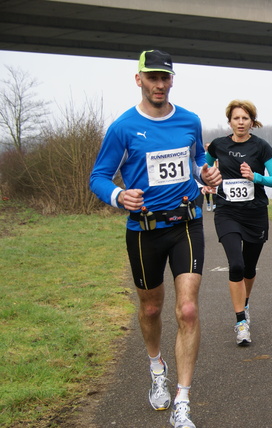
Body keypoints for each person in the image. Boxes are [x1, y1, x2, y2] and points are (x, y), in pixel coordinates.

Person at [89, 50, 221, 428]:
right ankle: (156, 366)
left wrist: (205, 176)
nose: (159, 84)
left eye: (165, 78)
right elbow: (98, 175)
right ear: (139, 80)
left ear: (172, 80)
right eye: (152, 78)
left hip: (187, 224)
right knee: (150, 309)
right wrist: (118, 196)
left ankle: (182, 401)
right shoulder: (123, 127)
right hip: (145, 230)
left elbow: (196, 161)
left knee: (188, 310)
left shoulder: (189, 120)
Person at [205, 100, 272, 346]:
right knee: (235, 264)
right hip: (227, 212)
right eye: (236, 118)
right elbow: (203, 167)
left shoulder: (262, 147)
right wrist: (206, 179)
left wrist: (255, 176)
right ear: (229, 121)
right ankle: (241, 322)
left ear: (252, 121)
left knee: (249, 268)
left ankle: (244, 303)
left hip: (255, 213)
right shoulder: (218, 145)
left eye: (245, 118)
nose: (240, 122)